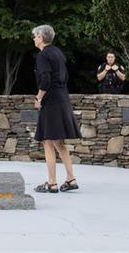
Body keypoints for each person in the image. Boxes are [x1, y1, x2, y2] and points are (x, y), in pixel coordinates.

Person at [31, 25, 81, 194]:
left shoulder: (43, 55)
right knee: (59, 142)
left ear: (41, 37)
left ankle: (52, 183)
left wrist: (38, 99)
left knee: (48, 141)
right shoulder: (58, 52)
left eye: (35, 36)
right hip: (62, 97)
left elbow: (45, 80)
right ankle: (71, 179)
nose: (34, 38)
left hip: (51, 101)